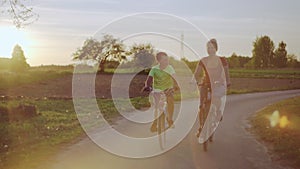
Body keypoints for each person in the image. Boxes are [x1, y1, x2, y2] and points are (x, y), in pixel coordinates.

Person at [193, 39, 230, 137]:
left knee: (217, 98)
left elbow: (226, 72)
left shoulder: (222, 60)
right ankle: (201, 127)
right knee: (201, 106)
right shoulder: (203, 60)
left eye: (212, 48)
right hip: (205, 83)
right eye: (208, 48)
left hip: (217, 83)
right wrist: (193, 80)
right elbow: (197, 73)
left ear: (216, 48)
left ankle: (218, 112)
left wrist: (227, 81)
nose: (210, 50)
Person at [142, 52, 176, 132]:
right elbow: (149, 80)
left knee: (170, 101)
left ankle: (170, 119)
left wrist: (175, 87)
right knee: (157, 107)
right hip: (157, 91)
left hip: (168, 90)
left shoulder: (170, 68)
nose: (167, 61)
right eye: (165, 60)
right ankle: (154, 124)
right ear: (159, 61)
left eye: (167, 59)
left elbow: (175, 78)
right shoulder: (154, 69)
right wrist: (147, 86)